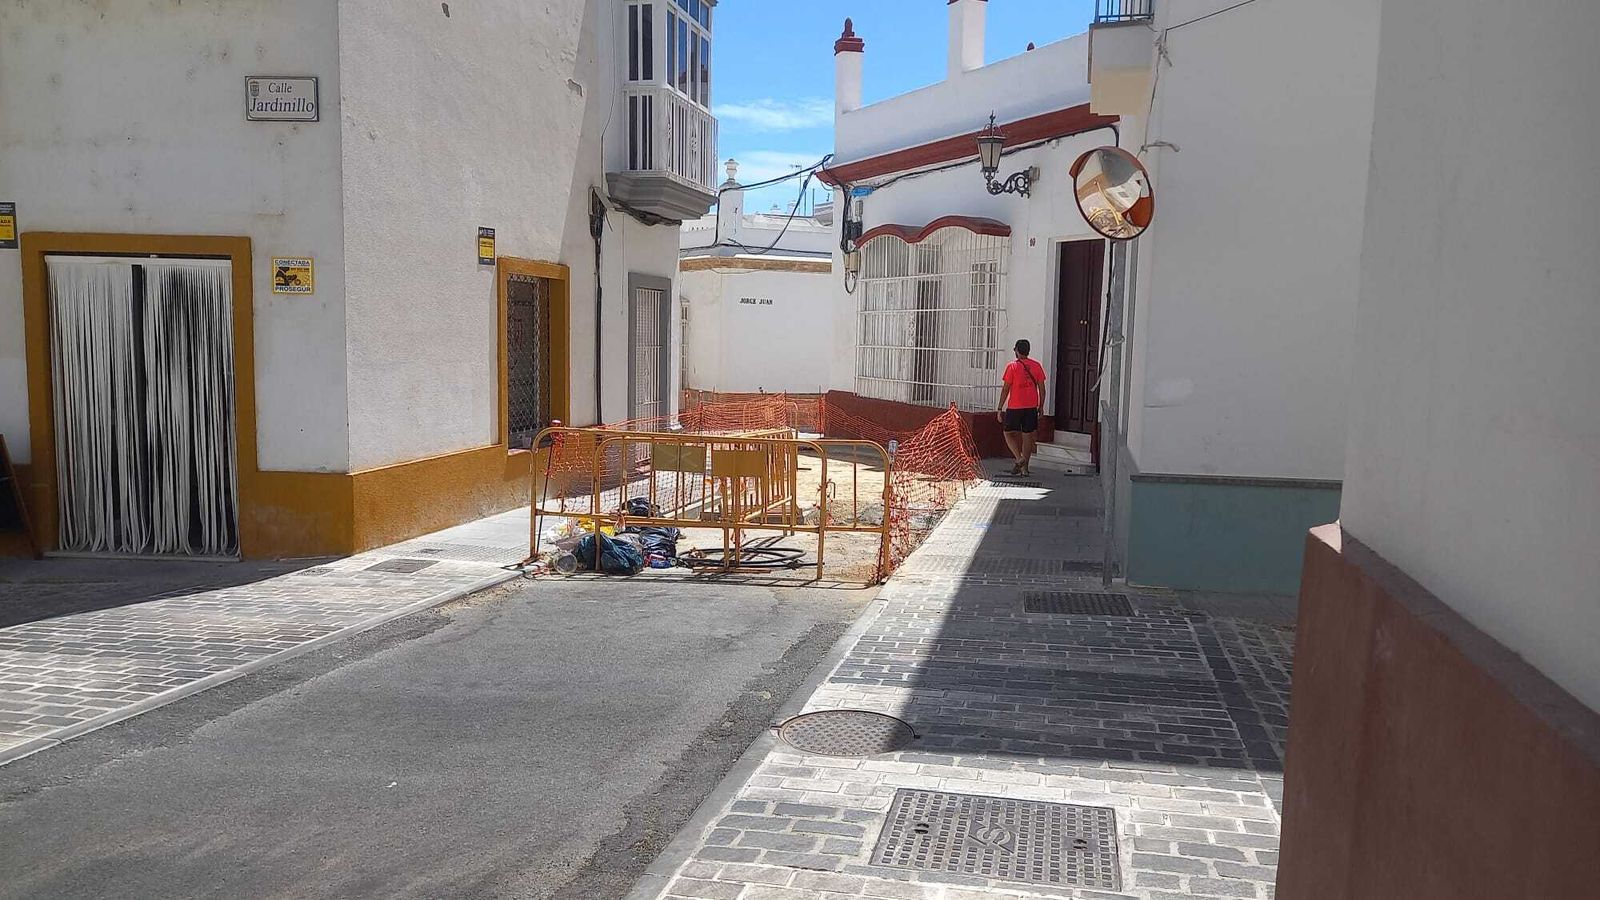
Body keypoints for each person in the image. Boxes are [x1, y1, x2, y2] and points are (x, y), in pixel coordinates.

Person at [996, 339, 1046, 476]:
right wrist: (1041, 406)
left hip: (1015, 406)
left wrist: (1000, 408)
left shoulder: (1012, 366)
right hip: (1031, 406)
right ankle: (1025, 469)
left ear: (1017, 351)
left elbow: (1005, 389)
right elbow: (1042, 389)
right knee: (1027, 436)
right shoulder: (1037, 366)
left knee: (1008, 433)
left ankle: (1019, 458)